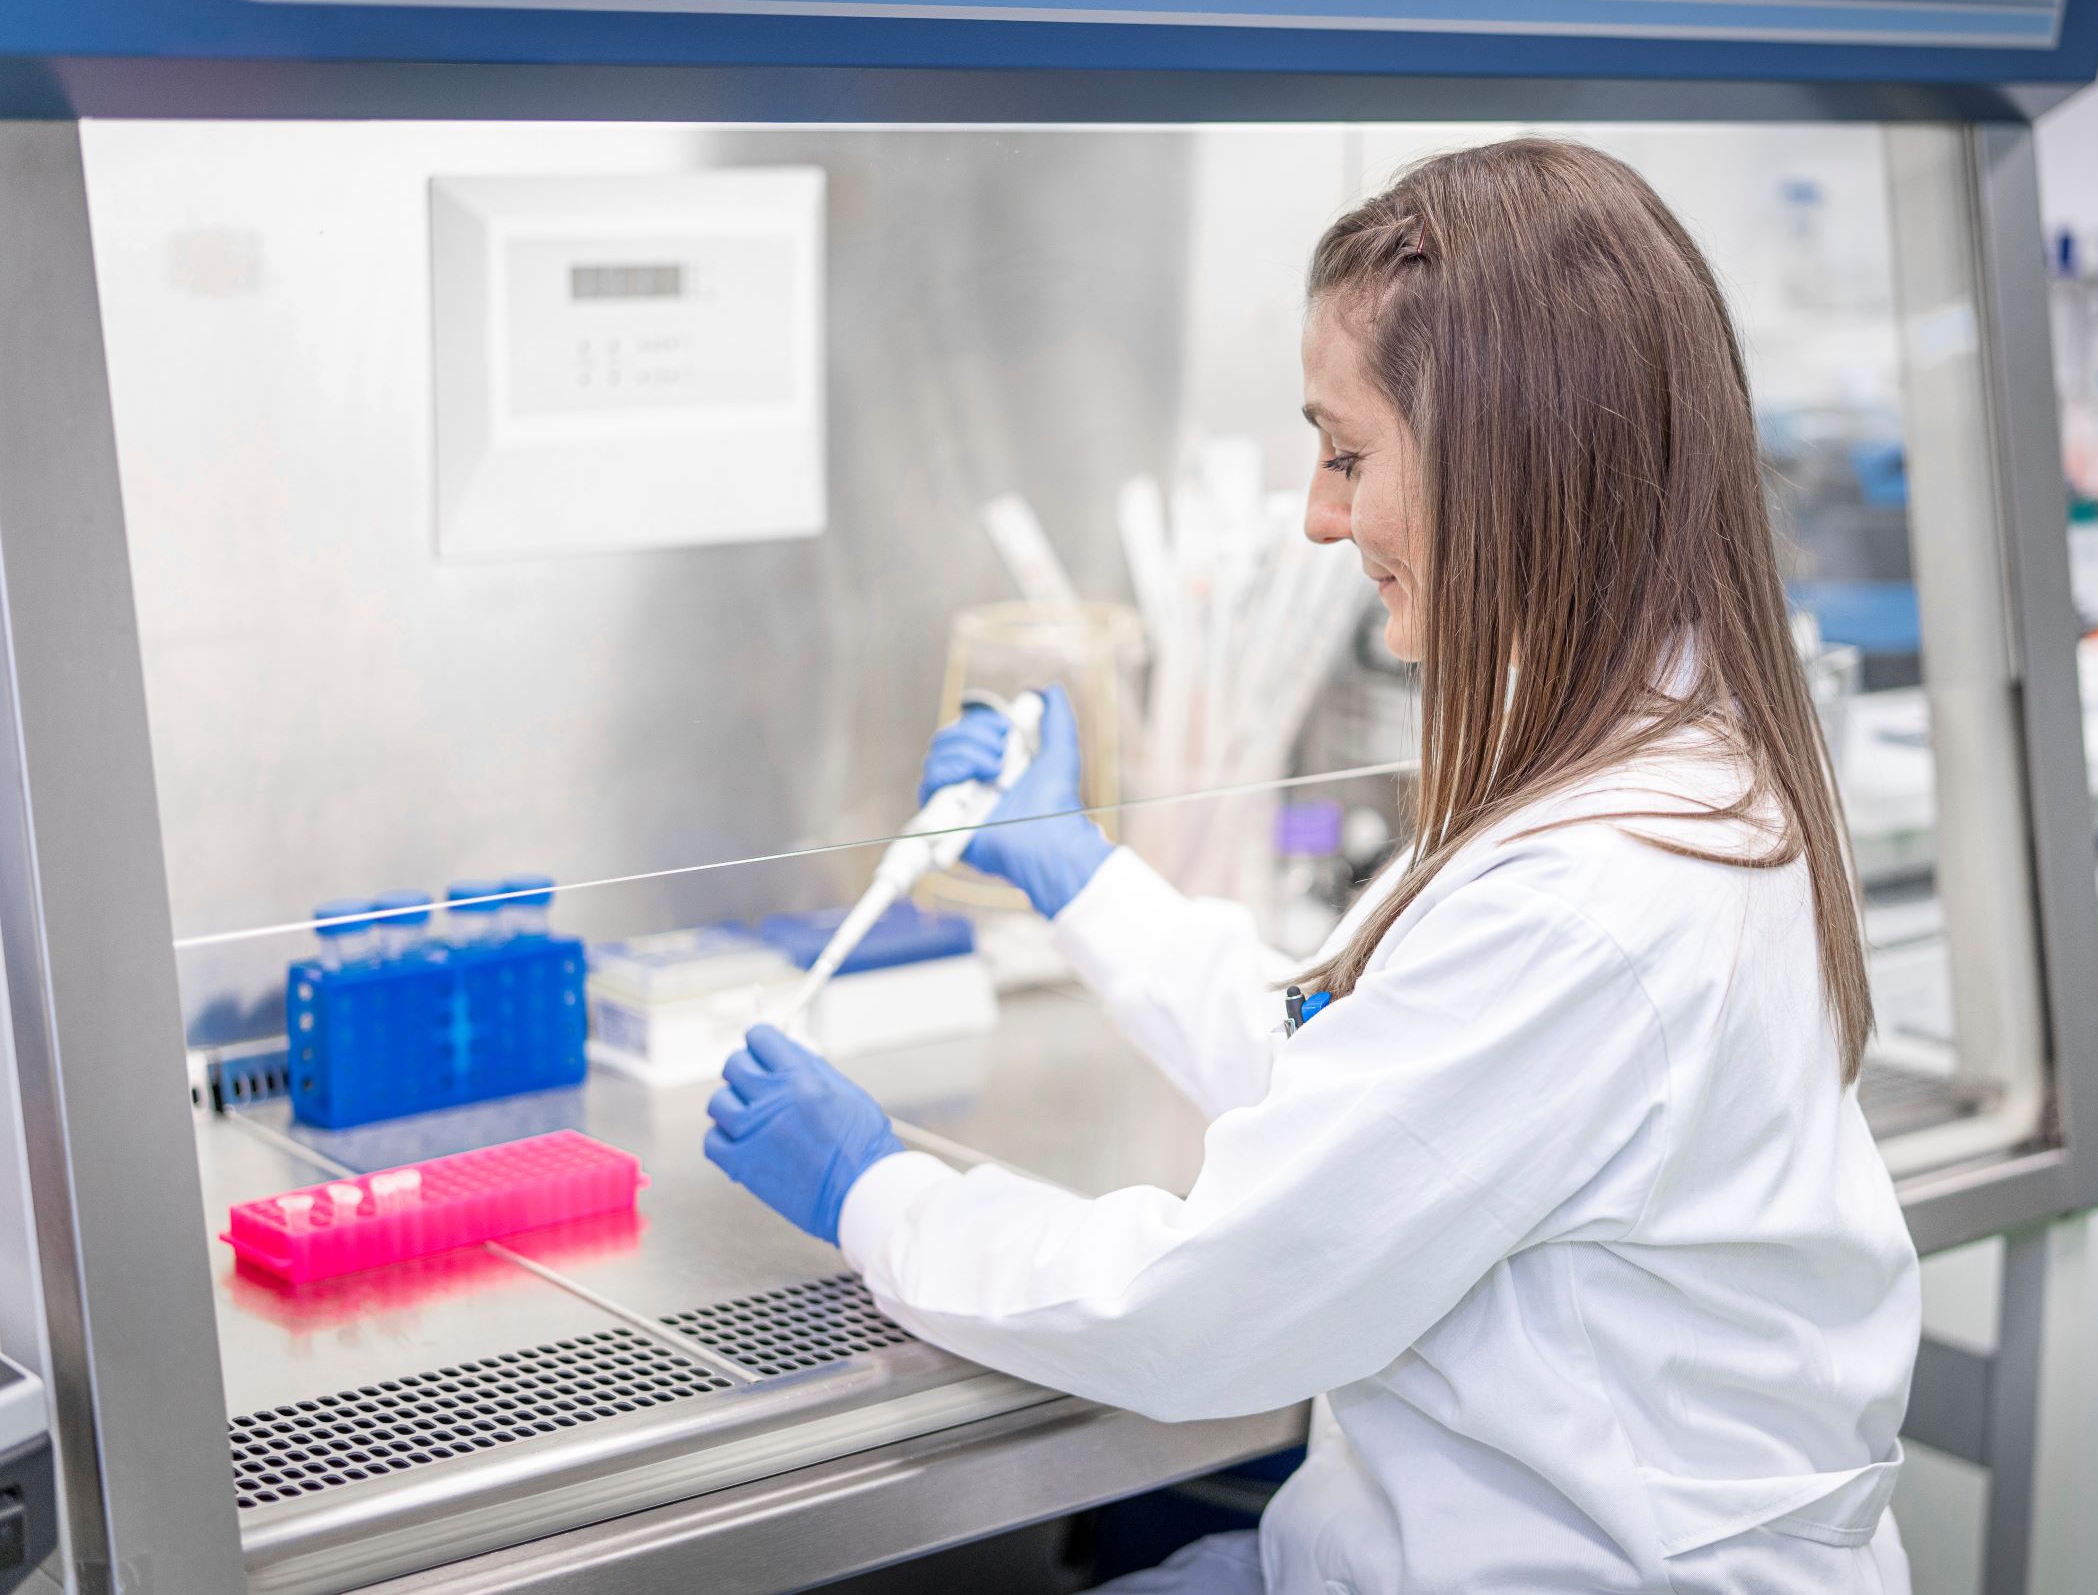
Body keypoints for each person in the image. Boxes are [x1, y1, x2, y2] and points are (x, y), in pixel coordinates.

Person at [705, 137, 1919, 1594]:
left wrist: (876, 1193)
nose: (1318, 517)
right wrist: (1083, 881)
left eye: (1349, 455)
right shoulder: (1664, 756)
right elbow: (1366, 1069)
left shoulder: (1595, 891)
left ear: (1510, 464)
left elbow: (1205, 1305)